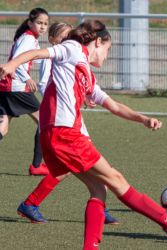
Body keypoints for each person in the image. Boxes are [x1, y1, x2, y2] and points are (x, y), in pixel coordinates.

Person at [0, 20, 167, 249]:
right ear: (97, 42)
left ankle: (91, 246)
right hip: (65, 134)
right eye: (108, 49)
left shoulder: (88, 75)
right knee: (117, 180)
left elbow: (114, 105)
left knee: (99, 189)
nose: (107, 56)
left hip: (57, 136)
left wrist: (143, 119)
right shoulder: (73, 49)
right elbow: (39, 52)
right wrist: (11, 65)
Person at [16, 21, 119, 225]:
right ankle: (100, 206)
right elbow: (47, 84)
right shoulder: (57, 54)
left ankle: (31, 203)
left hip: (69, 116)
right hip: (62, 118)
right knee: (93, 163)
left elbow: (76, 83)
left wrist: (85, 96)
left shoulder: (72, 54)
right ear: (56, 39)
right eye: (65, 36)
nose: (71, 39)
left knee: (67, 167)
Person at [0, 7, 49, 176]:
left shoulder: (30, 38)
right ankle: (36, 165)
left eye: (45, 24)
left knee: (3, 129)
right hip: (17, 87)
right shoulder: (28, 38)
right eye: (39, 23)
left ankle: (37, 165)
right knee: (45, 120)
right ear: (30, 23)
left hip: (7, 86)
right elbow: (16, 62)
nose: (42, 27)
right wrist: (26, 77)